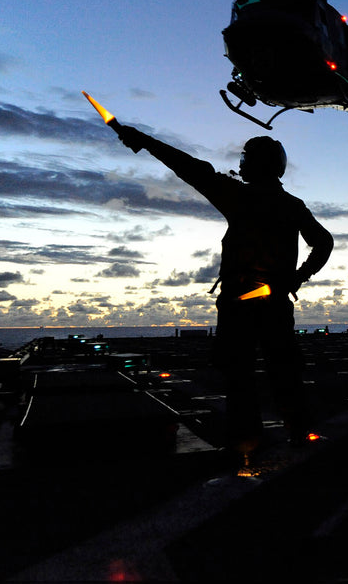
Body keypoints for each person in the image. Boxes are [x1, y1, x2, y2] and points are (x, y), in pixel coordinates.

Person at [113, 126, 333, 454]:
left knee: (239, 374)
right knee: (284, 371)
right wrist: (298, 277)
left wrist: (145, 142)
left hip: (237, 301)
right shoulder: (292, 204)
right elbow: (323, 242)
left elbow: (187, 166)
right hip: (275, 302)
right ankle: (298, 432)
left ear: (257, 164)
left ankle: (246, 441)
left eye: (246, 158)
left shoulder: (239, 196)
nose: (241, 164)